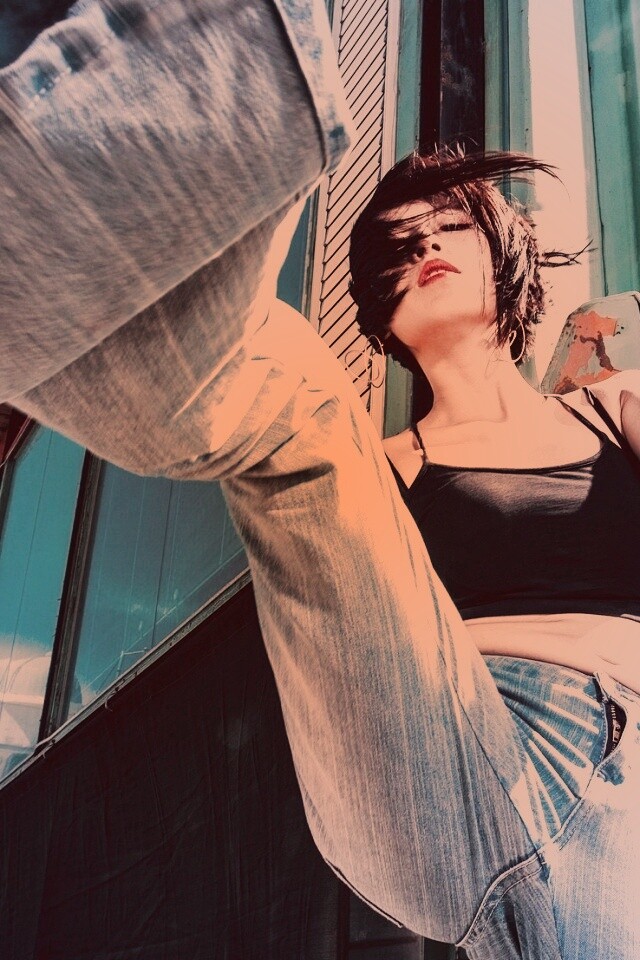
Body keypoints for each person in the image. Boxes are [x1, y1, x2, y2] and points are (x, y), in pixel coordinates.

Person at [1, 2, 639, 957]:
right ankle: (233, 67)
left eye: (449, 226)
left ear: (505, 250)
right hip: (440, 769)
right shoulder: (379, 466)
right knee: (301, 406)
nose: (423, 247)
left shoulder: (609, 406)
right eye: (399, 246)